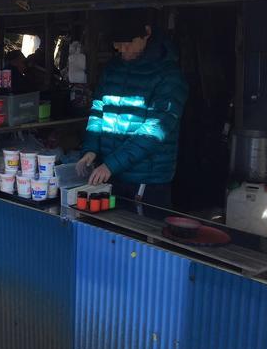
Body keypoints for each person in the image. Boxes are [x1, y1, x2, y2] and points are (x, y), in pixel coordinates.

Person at [76, 10, 188, 208]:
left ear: (146, 33)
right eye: (118, 47)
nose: (123, 51)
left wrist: (111, 164)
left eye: (128, 44)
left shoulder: (168, 75)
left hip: (147, 181)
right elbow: (98, 110)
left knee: (140, 237)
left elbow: (154, 130)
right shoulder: (112, 69)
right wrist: (91, 150)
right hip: (111, 173)